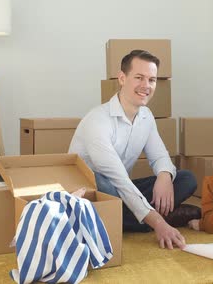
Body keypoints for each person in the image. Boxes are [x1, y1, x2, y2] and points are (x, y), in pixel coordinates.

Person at [69, 50, 199, 250]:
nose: (146, 86)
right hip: (95, 193)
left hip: (124, 192)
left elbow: (160, 157)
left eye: (152, 80)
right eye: (139, 77)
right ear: (122, 78)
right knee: (103, 183)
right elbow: (118, 179)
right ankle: (149, 221)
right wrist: (160, 223)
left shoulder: (146, 116)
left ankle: (129, 221)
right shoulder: (97, 120)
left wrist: (164, 176)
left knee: (185, 179)